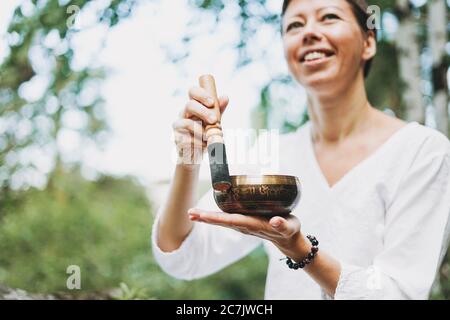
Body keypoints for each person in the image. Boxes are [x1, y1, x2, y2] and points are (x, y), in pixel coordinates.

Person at [151, 0, 450, 299]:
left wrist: (301, 251)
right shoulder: (272, 156)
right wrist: (188, 160)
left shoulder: (423, 152)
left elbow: (399, 293)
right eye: (294, 25)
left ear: (368, 41)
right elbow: (182, 255)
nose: (309, 32)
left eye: (329, 17)